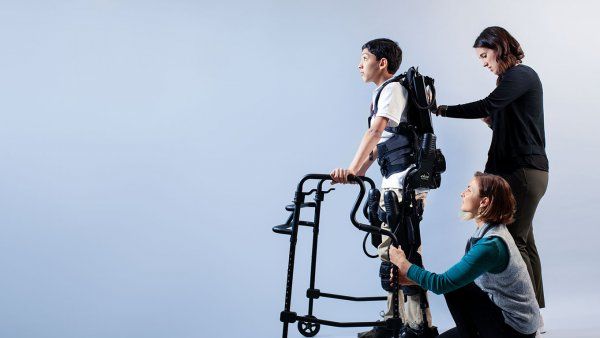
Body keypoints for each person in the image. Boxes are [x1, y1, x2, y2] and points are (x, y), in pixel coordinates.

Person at [435, 26, 548, 312]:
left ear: (499, 48)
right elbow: (509, 122)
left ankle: (528, 318)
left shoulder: (520, 75)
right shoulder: (511, 80)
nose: (484, 63)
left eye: (485, 56)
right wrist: (493, 122)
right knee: (524, 241)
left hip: (522, 172)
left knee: (514, 241)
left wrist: (441, 109)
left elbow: (488, 104)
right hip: (523, 170)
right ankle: (536, 315)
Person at [330, 38, 435, 338]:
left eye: (364, 58)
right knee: (389, 256)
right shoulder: (383, 93)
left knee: (405, 256)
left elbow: (375, 132)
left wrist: (351, 168)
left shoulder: (391, 90)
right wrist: (356, 175)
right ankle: (393, 321)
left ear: (382, 63)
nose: (359, 65)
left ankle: (418, 327)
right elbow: (381, 146)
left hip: (405, 185)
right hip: (393, 184)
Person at [389, 172, 540, 338]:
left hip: (515, 330)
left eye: (469, 190)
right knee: (458, 287)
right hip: (505, 317)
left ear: (484, 201)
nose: (463, 193)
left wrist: (402, 264)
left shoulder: (490, 246)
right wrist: (410, 279)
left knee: (455, 289)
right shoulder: (490, 231)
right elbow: (455, 280)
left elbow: (442, 284)